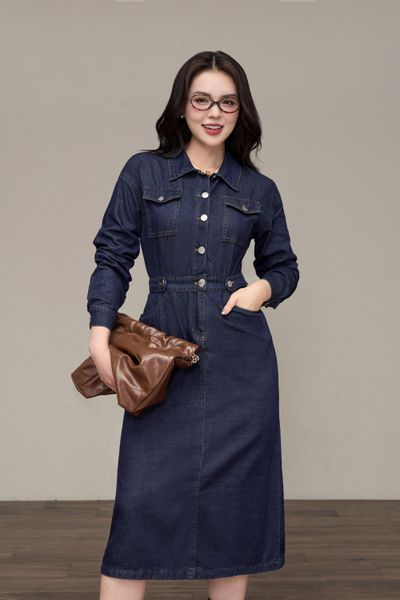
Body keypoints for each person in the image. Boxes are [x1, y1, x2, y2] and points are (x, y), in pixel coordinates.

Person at [87, 50, 300, 600]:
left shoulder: (259, 190)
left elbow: (284, 267)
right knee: (141, 502)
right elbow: (113, 256)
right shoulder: (143, 172)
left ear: (240, 110)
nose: (214, 113)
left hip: (240, 362)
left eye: (227, 102)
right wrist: (99, 332)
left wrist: (259, 290)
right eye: (201, 100)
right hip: (164, 355)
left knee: (233, 507)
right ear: (182, 107)